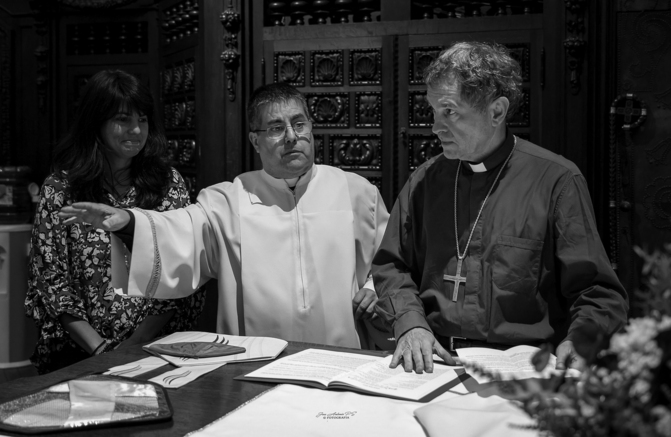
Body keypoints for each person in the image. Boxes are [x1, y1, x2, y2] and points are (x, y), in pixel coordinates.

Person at [59, 82, 390, 349]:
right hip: (257, 361)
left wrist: (374, 289)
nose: (292, 136)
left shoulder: (356, 192)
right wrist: (129, 223)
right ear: (255, 141)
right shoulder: (227, 201)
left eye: (299, 124)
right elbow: (179, 232)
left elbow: (391, 263)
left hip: (339, 359)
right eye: (276, 127)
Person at [372, 41, 629, 373]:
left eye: (450, 111)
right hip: (435, 363)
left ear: (496, 112)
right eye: (433, 112)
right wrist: (410, 323)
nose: (435, 127)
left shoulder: (556, 180)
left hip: (525, 369)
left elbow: (597, 291)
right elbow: (392, 266)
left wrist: (582, 339)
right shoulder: (425, 180)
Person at [25, 70, 206, 374]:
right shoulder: (60, 189)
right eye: (123, 119)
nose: (136, 130)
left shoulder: (168, 184)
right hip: (78, 352)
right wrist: (100, 350)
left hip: (155, 348)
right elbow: (51, 280)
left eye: (143, 120)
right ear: (96, 122)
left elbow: (181, 268)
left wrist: (133, 345)